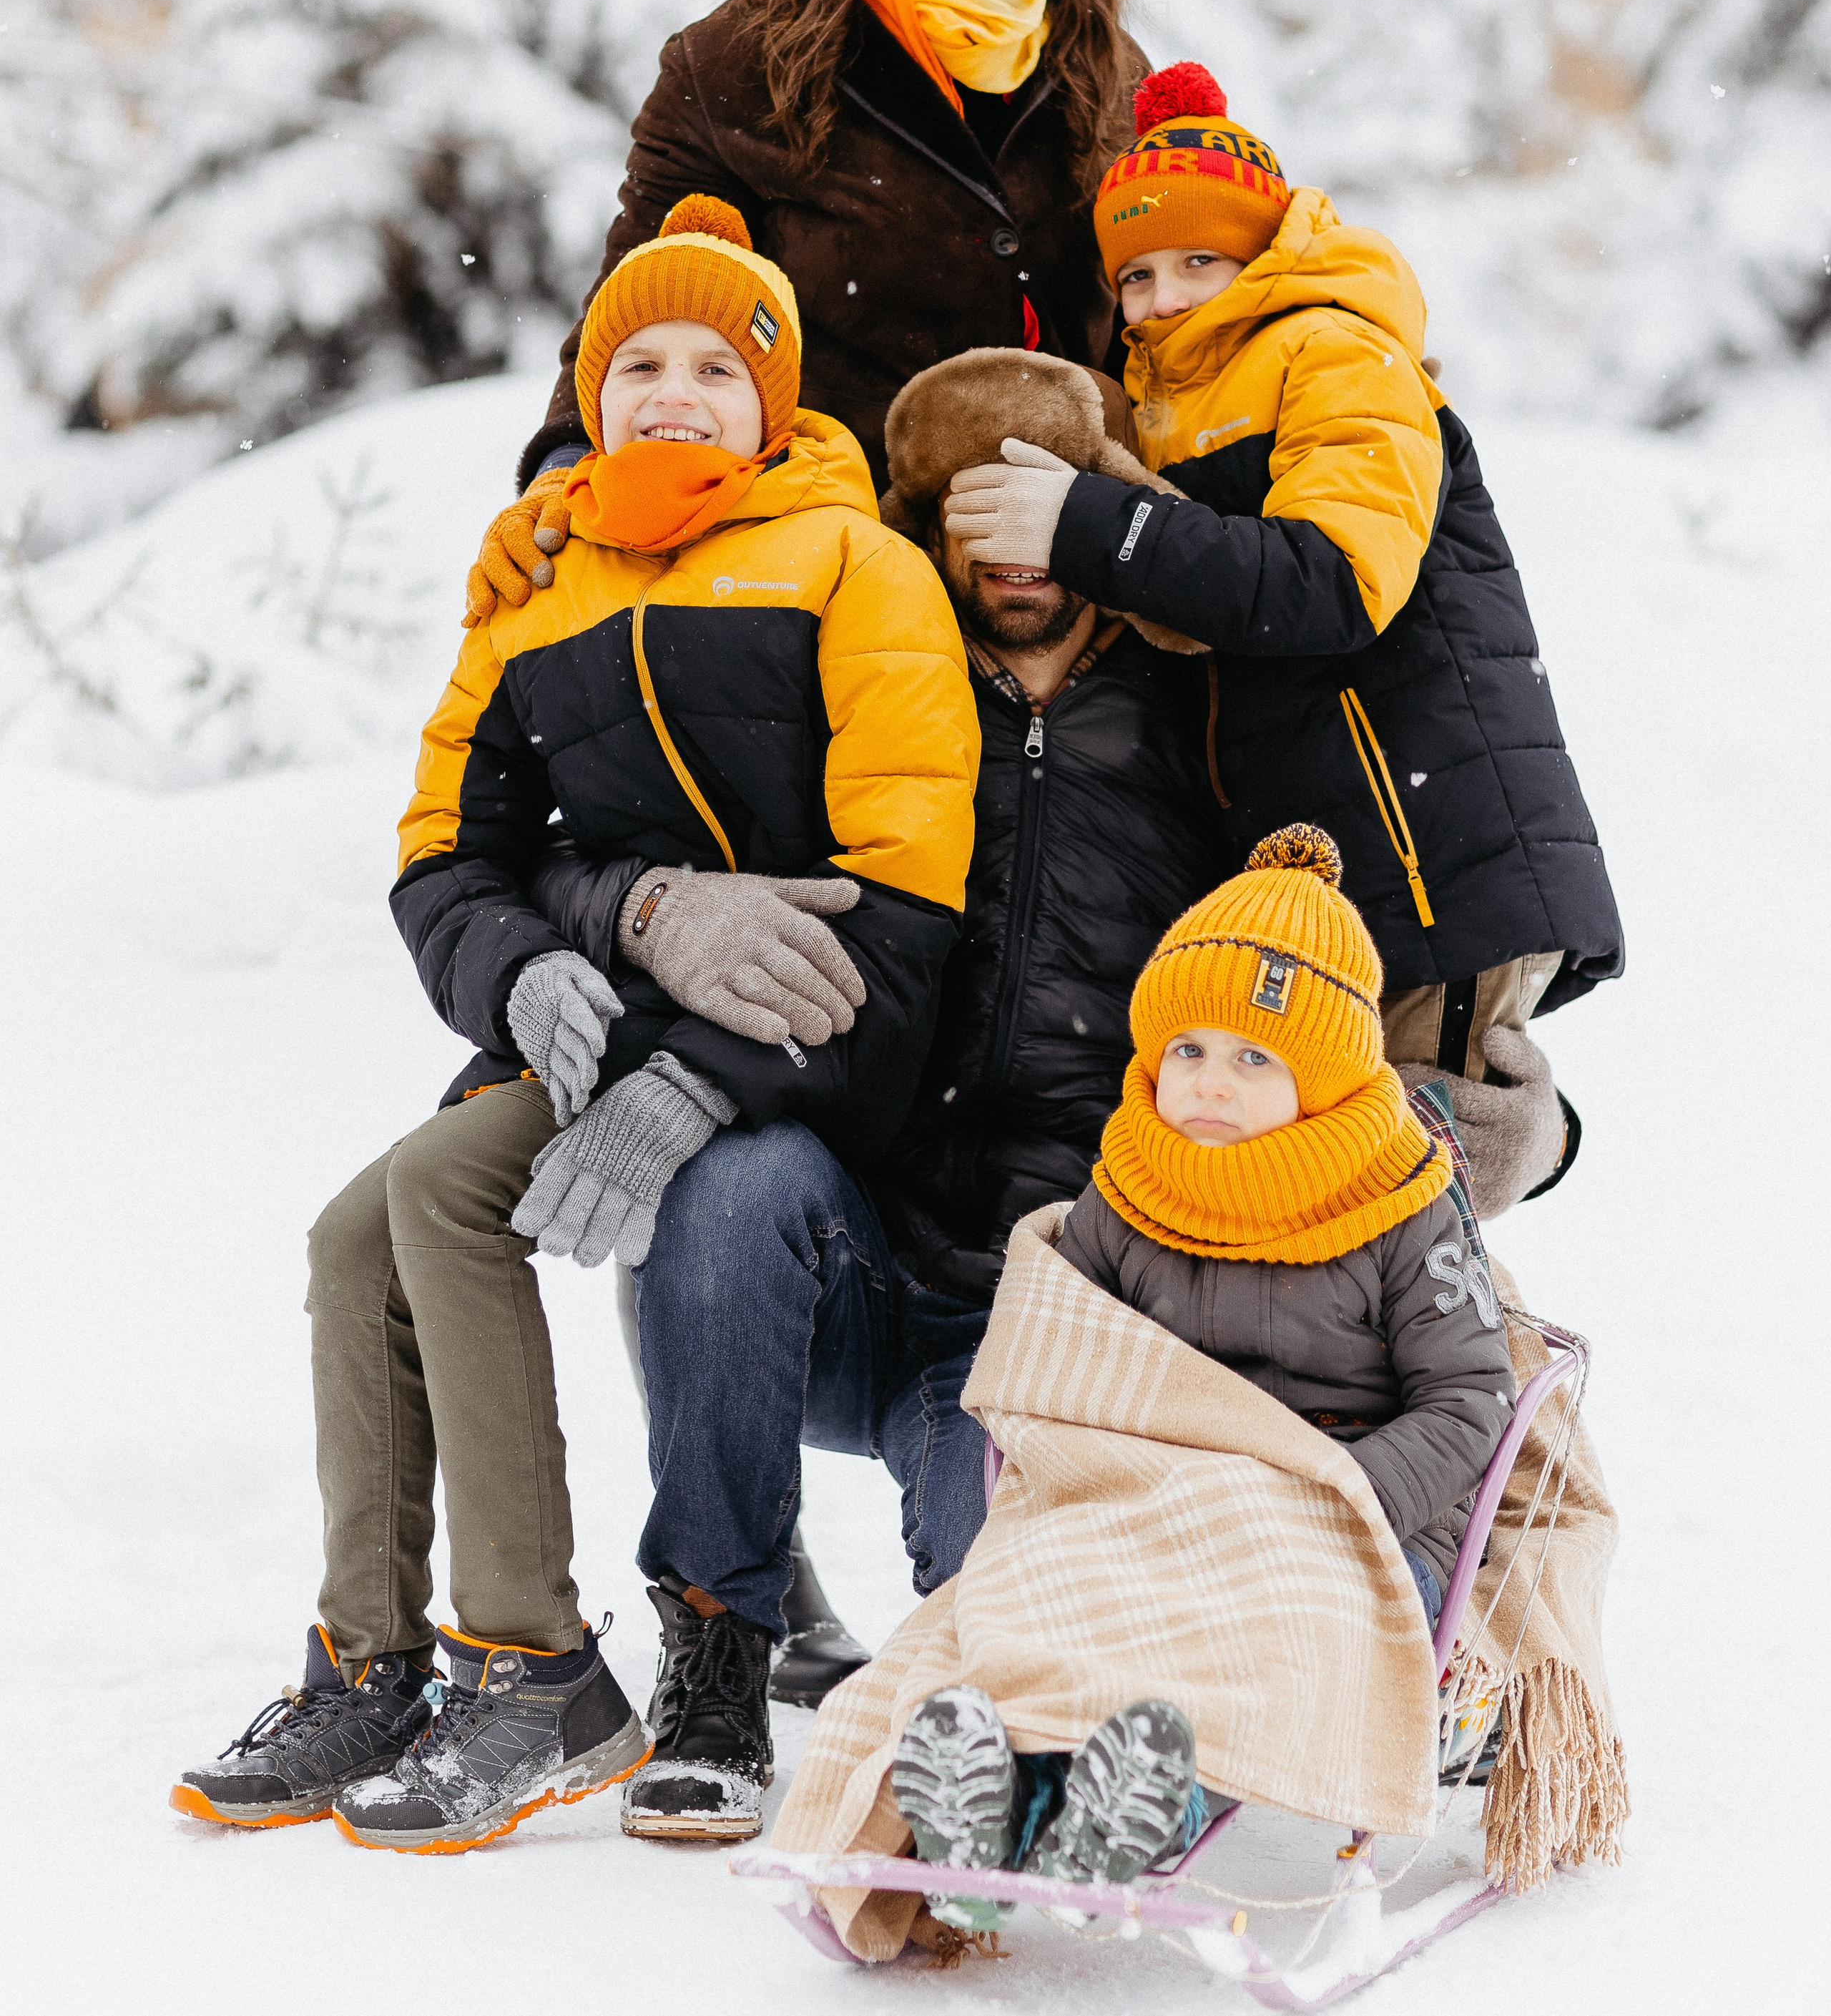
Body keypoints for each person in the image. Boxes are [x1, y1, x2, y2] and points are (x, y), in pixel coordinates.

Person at [169, 194, 976, 1857]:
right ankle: (373, 1657)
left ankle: (533, 1660)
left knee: (445, 1192)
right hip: (593, 1025)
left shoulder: (854, 564)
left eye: (712, 363)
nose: (672, 392)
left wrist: (694, 1073)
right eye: (636, 365)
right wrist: (519, 961)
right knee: (349, 1237)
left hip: (799, 1055)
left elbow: (900, 913)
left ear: (775, 398)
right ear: (590, 398)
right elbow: (444, 853)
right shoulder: (535, 583)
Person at [530, 346, 1237, 1837]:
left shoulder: (1193, 725)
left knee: (990, 1565)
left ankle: (1030, 1752)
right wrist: (639, 906)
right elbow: (596, 797)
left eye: (1035, 515)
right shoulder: (876, 689)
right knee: (725, 1179)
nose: (1010, 560)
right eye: (968, 523)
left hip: (1052, 1305)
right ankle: (719, 1655)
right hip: (864, 1246)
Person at [942, 59, 1624, 1203]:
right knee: (1332, 1211)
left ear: (1261, 252)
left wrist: (1091, 525)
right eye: (1139, 275)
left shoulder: (1336, 350)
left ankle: (1494, 1380)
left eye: (1199, 261)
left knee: (1382, 1210)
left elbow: (1334, 579)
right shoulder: (1167, 404)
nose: (1163, 298)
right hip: (1342, 883)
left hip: (1428, 868)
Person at [891, 823, 1515, 1927]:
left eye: (1254, 1057)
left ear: (1323, 1076)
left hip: (1345, 1521)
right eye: (1188, 1049)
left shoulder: (1401, 1200)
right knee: (1051, 1591)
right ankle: (996, 1803)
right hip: (1162, 1497)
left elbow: (1469, 1397)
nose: (1209, 1084)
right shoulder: (1132, 1184)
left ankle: (1145, 1810)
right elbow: (1059, 1338)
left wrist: (1333, 1498)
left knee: (1260, 1637)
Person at [461, 0, 1149, 624]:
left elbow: (1162, 303)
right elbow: (637, 296)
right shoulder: (738, 63)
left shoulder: (1102, 64)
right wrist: (563, 470)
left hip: (1059, 578)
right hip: (829, 566)